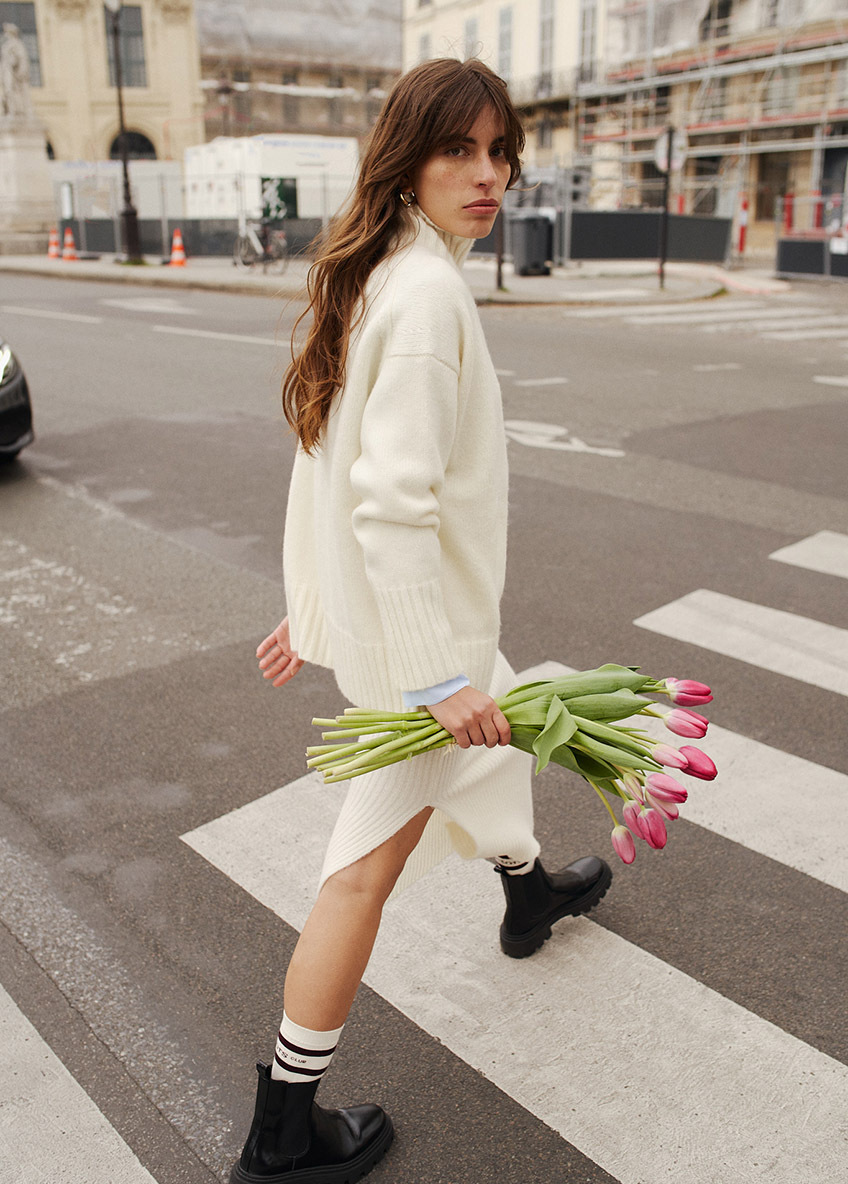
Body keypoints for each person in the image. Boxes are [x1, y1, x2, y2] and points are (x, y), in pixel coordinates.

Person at [230, 58, 612, 1184]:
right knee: (358, 874)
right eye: (459, 149)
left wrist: (316, 611)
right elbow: (387, 501)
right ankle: (282, 1130)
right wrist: (431, 677)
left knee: (498, 733)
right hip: (420, 649)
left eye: (501, 152)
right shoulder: (428, 294)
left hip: (423, 629)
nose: (488, 174)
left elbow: (326, 461)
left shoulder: (386, 272)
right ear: (409, 160)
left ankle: (528, 889)